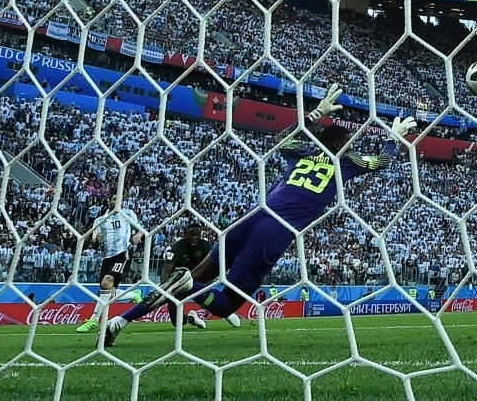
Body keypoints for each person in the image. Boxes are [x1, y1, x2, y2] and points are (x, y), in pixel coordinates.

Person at [99, 84, 416, 347]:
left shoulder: (300, 154)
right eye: (348, 141)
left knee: (198, 273)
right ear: (343, 145)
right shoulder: (346, 162)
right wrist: (395, 137)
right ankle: (188, 287)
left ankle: (119, 321)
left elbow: (282, 138)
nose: (350, 144)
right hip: (274, 232)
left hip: (252, 216)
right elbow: (381, 161)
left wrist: (315, 114)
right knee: (229, 304)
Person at [76, 196, 143, 333]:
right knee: (107, 292)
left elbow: (140, 229)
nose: (116, 201)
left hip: (122, 254)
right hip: (107, 258)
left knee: (106, 284)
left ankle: (94, 320)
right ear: (109, 201)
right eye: (113, 198)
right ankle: (133, 295)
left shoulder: (128, 214)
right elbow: (95, 240)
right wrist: (97, 240)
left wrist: (138, 235)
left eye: (119, 199)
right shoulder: (100, 220)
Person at [162, 223, 240, 329]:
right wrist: (164, 287)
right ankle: (192, 319)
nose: (194, 238)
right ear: (185, 234)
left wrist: (207, 281)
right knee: (177, 322)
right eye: (191, 234)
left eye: (197, 235)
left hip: (197, 279)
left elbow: (212, 265)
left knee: (206, 299)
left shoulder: (205, 246)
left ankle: (225, 313)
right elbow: (166, 268)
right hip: (178, 283)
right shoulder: (177, 247)